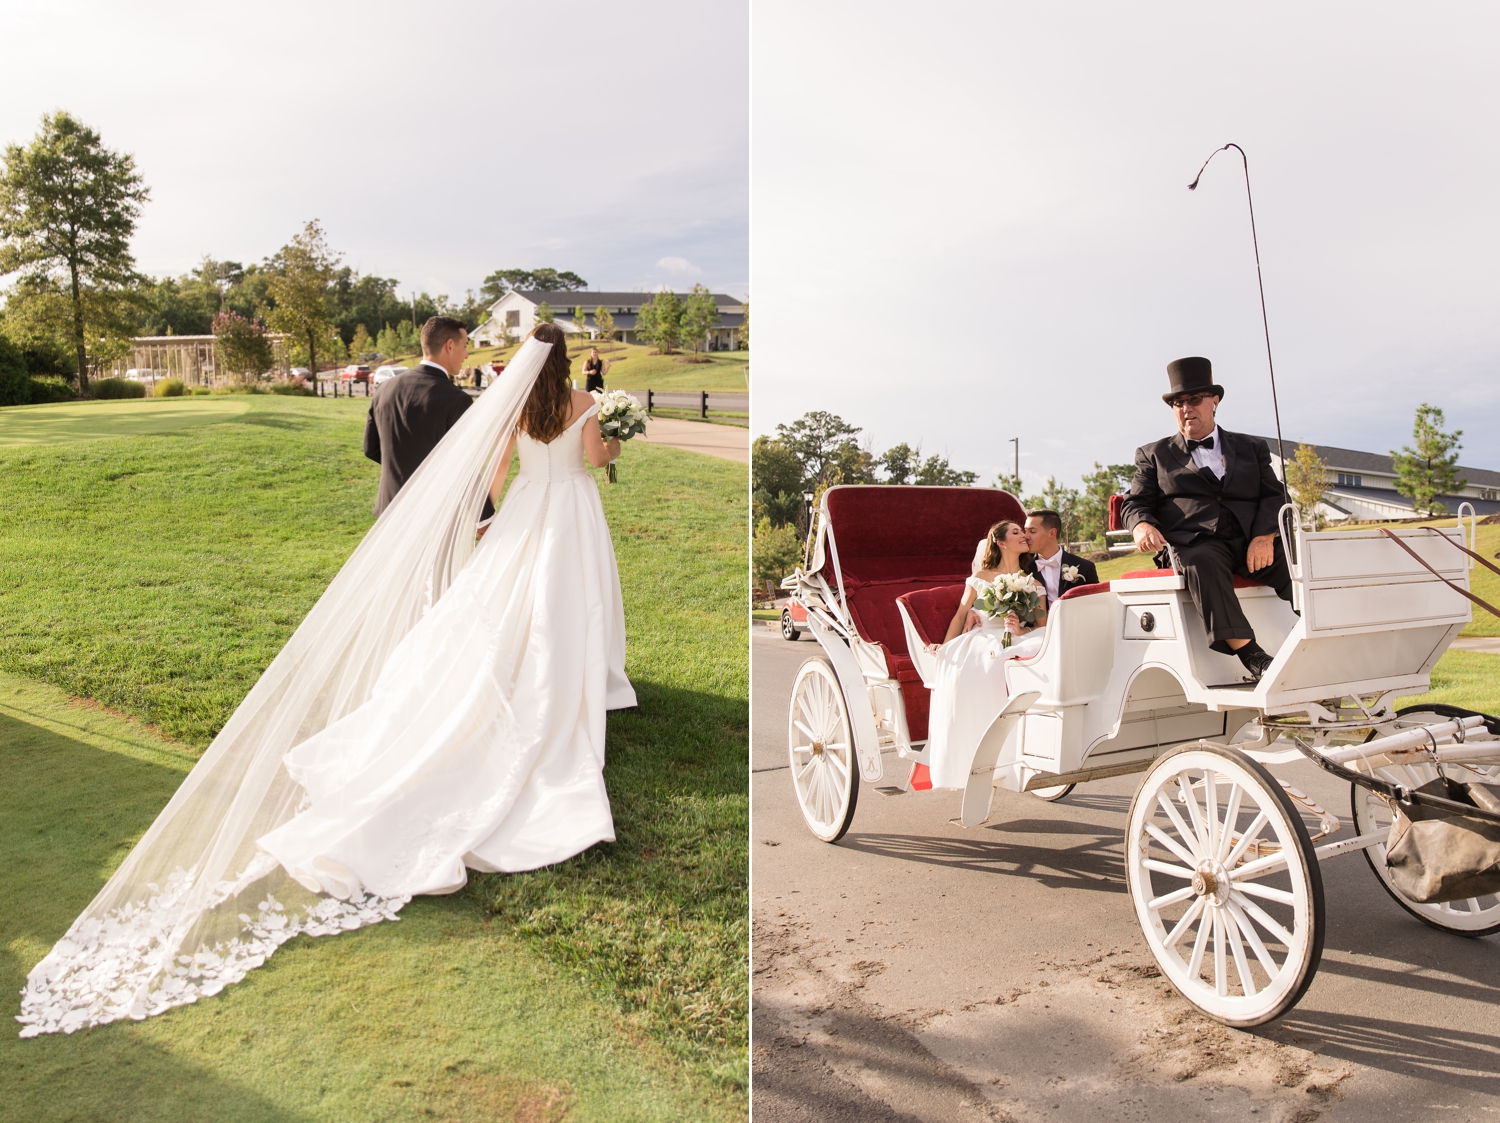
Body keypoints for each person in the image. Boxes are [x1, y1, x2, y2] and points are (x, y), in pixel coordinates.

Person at [20, 325, 636, 1037]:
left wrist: (483, 519)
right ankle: (565, 689)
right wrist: (618, 432)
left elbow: (495, 470)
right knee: (565, 610)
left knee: (505, 618)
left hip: (527, 513)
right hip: (572, 515)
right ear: (569, 361)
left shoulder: (512, 401)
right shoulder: (583, 401)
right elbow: (597, 458)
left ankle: (513, 685)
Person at [1119, 356, 1293, 682]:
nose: (1186, 409)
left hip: (1251, 539)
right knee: (1202, 562)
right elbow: (1134, 502)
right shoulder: (1153, 454)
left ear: (1214, 402)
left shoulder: (1252, 447)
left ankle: (1319, 630)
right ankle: (1252, 656)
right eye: (1178, 403)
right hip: (1197, 543)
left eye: (1194, 400)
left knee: (1296, 561)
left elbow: (1277, 495)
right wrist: (1141, 525)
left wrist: (1264, 536)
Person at [923, 520, 1048, 790]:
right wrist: (944, 647)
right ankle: (981, 752)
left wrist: (1020, 629)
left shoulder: (1033, 584)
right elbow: (960, 615)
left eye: (1023, 531)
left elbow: (1041, 626)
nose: (1023, 535)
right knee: (988, 662)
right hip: (983, 637)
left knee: (1034, 647)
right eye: (1016, 532)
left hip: (1016, 638)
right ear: (1001, 543)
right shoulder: (981, 577)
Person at [363, 316, 476, 517]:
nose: (466, 354)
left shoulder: (385, 389)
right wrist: (483, 517)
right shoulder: (458, 400)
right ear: (450, 346)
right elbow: (463, 466)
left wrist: (404, 468)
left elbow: (370, 448)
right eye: (465, 346)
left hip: (388, 508)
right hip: (432, 513)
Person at [1024, 509, 1098, 602]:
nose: (1025, 536)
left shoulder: (1085, 568)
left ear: (1052, 533)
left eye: (1032, 531)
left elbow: (1096, 604)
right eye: (1025, 530)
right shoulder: (1024, 569)